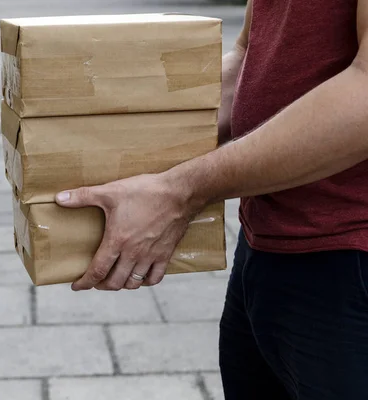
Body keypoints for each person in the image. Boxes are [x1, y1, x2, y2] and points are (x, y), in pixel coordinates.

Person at [54, 0, 368, 398]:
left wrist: (178, 192)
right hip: (267, 245)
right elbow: (251, 56)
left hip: (350, 256)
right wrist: (110, 132)